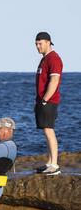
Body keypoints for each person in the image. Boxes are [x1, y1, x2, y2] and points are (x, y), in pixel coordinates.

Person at [34, 31, 63, 175]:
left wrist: (45, 99)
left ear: (48, 42)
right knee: (46, 131)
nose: (38, 46)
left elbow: (54, 80)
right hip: (42, 101)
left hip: (49, 101)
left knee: (49, 130)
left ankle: (55, 165)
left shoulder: (54, 59)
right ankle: (50, 162)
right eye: (36, 44)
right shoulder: (45, 59)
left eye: (40, 43)